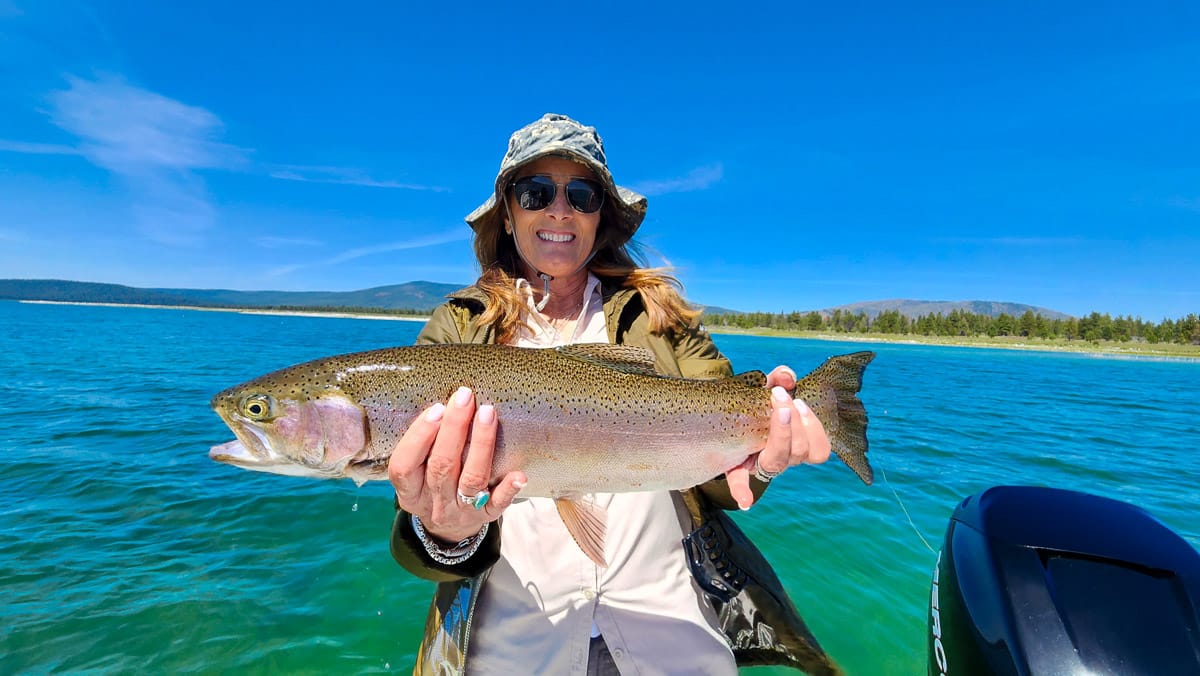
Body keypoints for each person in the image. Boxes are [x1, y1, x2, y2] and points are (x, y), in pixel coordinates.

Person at [388, 113, 840, 676]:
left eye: (581, 194)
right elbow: (421, 511)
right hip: (513, 649)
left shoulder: (659, 319)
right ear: (507, 213)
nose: (559, 210)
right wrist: (446, 534)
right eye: (535, 192)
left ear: (601, 217)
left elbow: (722, 474)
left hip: (672, 640)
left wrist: (767, 456)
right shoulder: (457, 328)